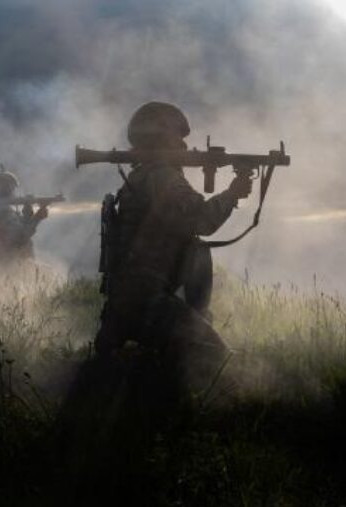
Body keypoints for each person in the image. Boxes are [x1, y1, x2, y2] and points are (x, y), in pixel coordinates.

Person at [94, 101, 253, 393]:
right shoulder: (162, 178)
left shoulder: (141, 176)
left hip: (126, 299)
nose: (183, 146)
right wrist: (233, 193)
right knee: (220, 362)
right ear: (164, 139)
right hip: (148, 301)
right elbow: (202, 220)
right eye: (178, 139)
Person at [0, 169, 48, 280]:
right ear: (8, 190)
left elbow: (21, 228)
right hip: (11, 269)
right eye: (12, 189)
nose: (14, 193)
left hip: (9, 267)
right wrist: (37, 218)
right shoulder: (0, 213)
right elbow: (20, 237)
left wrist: (28, 212)